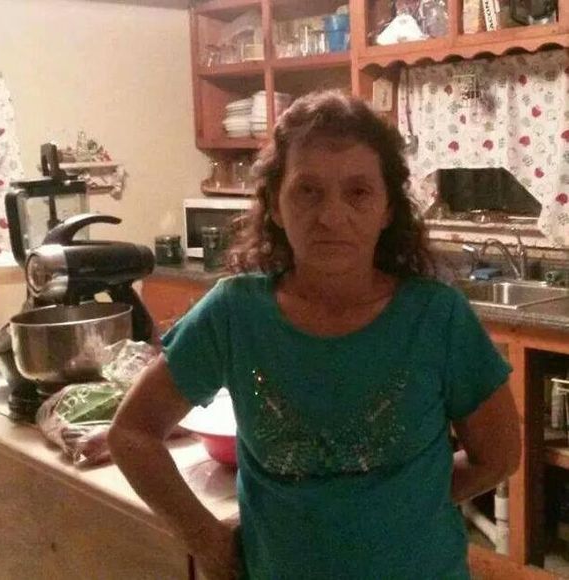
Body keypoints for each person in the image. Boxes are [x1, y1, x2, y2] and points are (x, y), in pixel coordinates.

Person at [108, 90, 521, 580]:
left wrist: (411, 498)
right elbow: (132, 434)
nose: (331, 216)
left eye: (358, 192)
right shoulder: (234, 315)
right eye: (308, 190)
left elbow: (498, 456)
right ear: (275, 205)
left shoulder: (437, 318)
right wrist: (205, 538)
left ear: (388, 208)